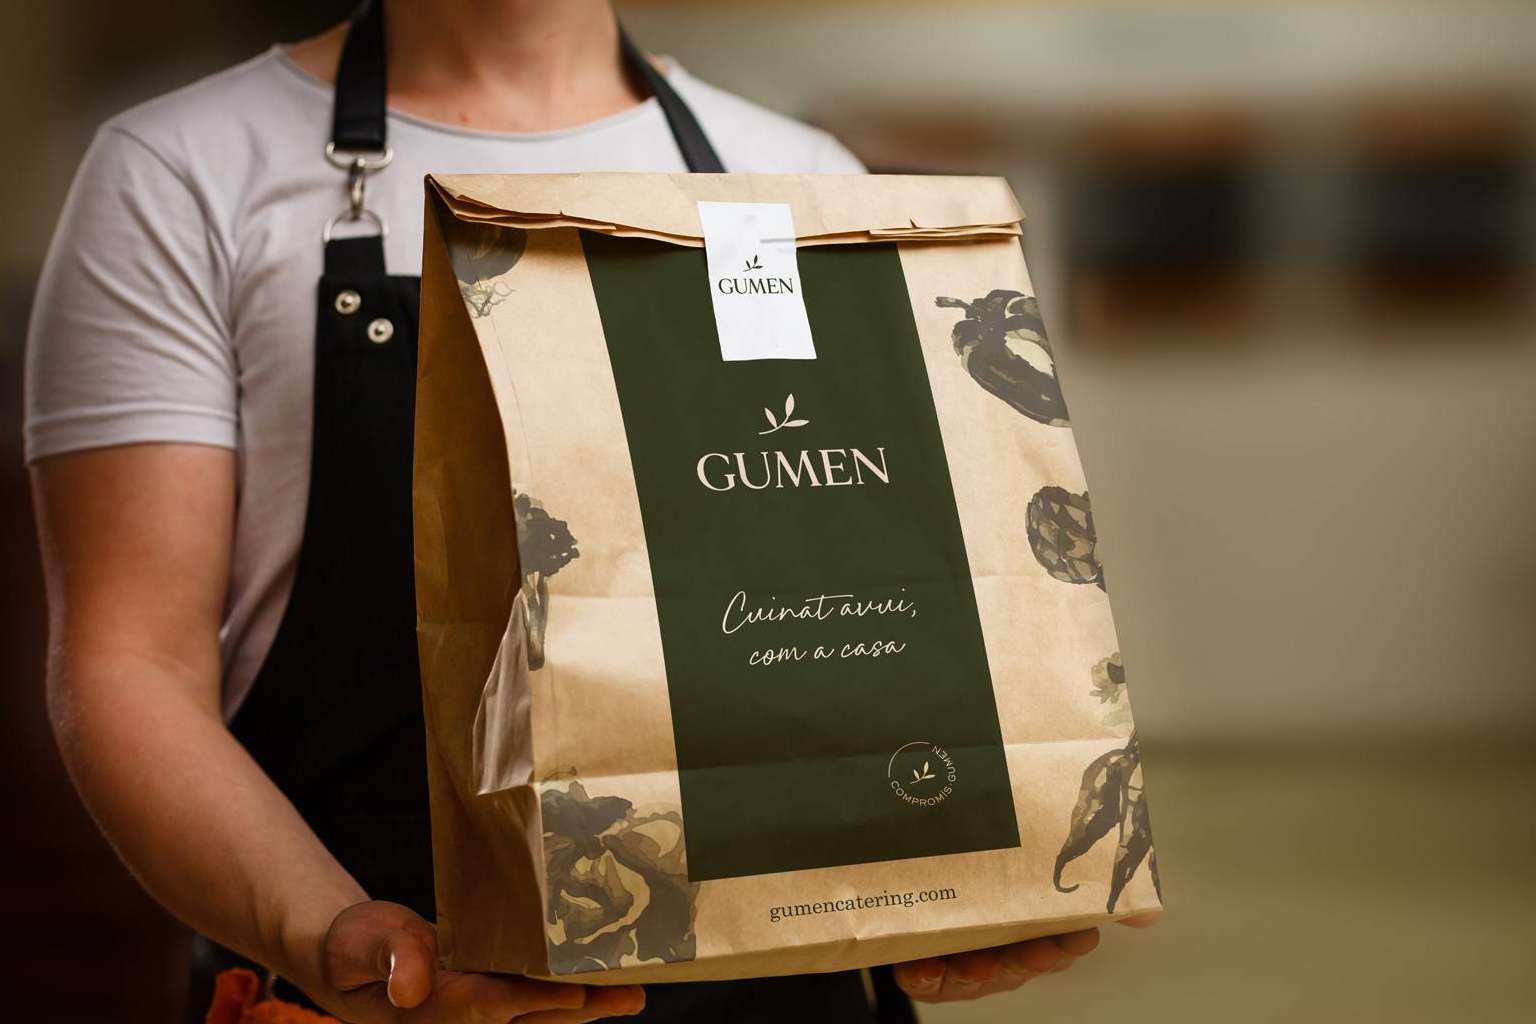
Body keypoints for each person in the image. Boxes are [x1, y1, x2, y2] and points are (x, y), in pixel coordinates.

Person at [27, 1, 1137, 1020]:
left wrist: (960, 872)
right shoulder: (183, 171)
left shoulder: (793, 176)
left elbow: (881, 596)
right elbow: (134, 663)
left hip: (782, 987)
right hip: (385, 975)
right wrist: (324, 934)